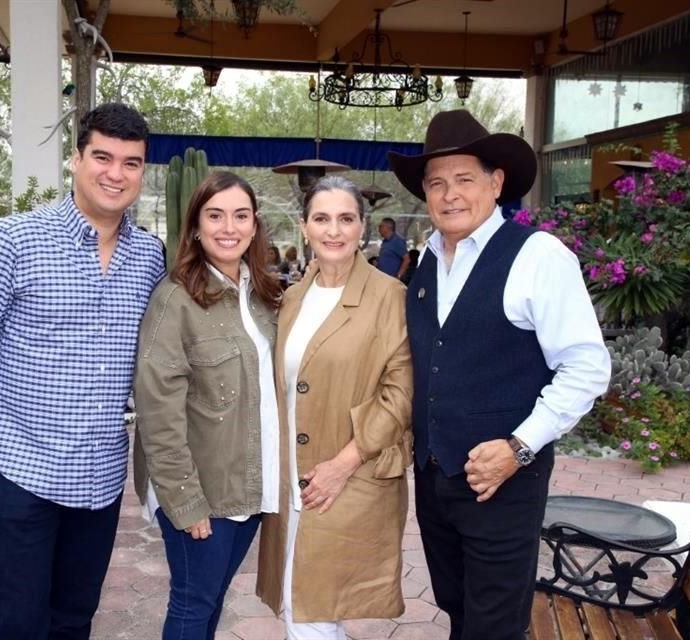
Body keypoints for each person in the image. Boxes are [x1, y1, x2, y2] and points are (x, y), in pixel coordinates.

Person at [0, 102, 165, 640]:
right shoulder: (16, 240)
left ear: (142, 172)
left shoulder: (149, 256)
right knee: (20, 622)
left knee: (73, 618)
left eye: (131, 163)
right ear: (76, 160)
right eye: (103, 157)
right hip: (22, 467)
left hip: (99, 476)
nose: (116, 173)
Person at [387, 109, 611, 640]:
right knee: (458, 607)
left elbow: (586, 366)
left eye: (465, 179)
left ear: (496, 182)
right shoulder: (425, 265)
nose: (450, 194)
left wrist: (520, 447)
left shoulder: (538, 256)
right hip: (437, 478)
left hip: (505, 482)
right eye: (436, 183)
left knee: (495, 624)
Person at [256, 175, 413, 639]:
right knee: (303, 608)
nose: (334, 230)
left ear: (363, 228)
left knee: (312, 613)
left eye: (346, 219)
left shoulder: (390, 297)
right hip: (292, 479)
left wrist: (341, 466)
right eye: (321, 219)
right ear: (304, 227)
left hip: (348, 476)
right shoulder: (293, 298)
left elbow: (399, 394)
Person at [133, 171, 283, 640]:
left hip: (247, 485)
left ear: (255, 225)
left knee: (211, 596)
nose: (228, 227)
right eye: (214, 215)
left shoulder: (263, 296)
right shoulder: (175, 298)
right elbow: (158, 409)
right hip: (201, 492)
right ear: (195, 225)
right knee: (194, 603)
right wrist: (185, 500)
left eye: (240, 216)